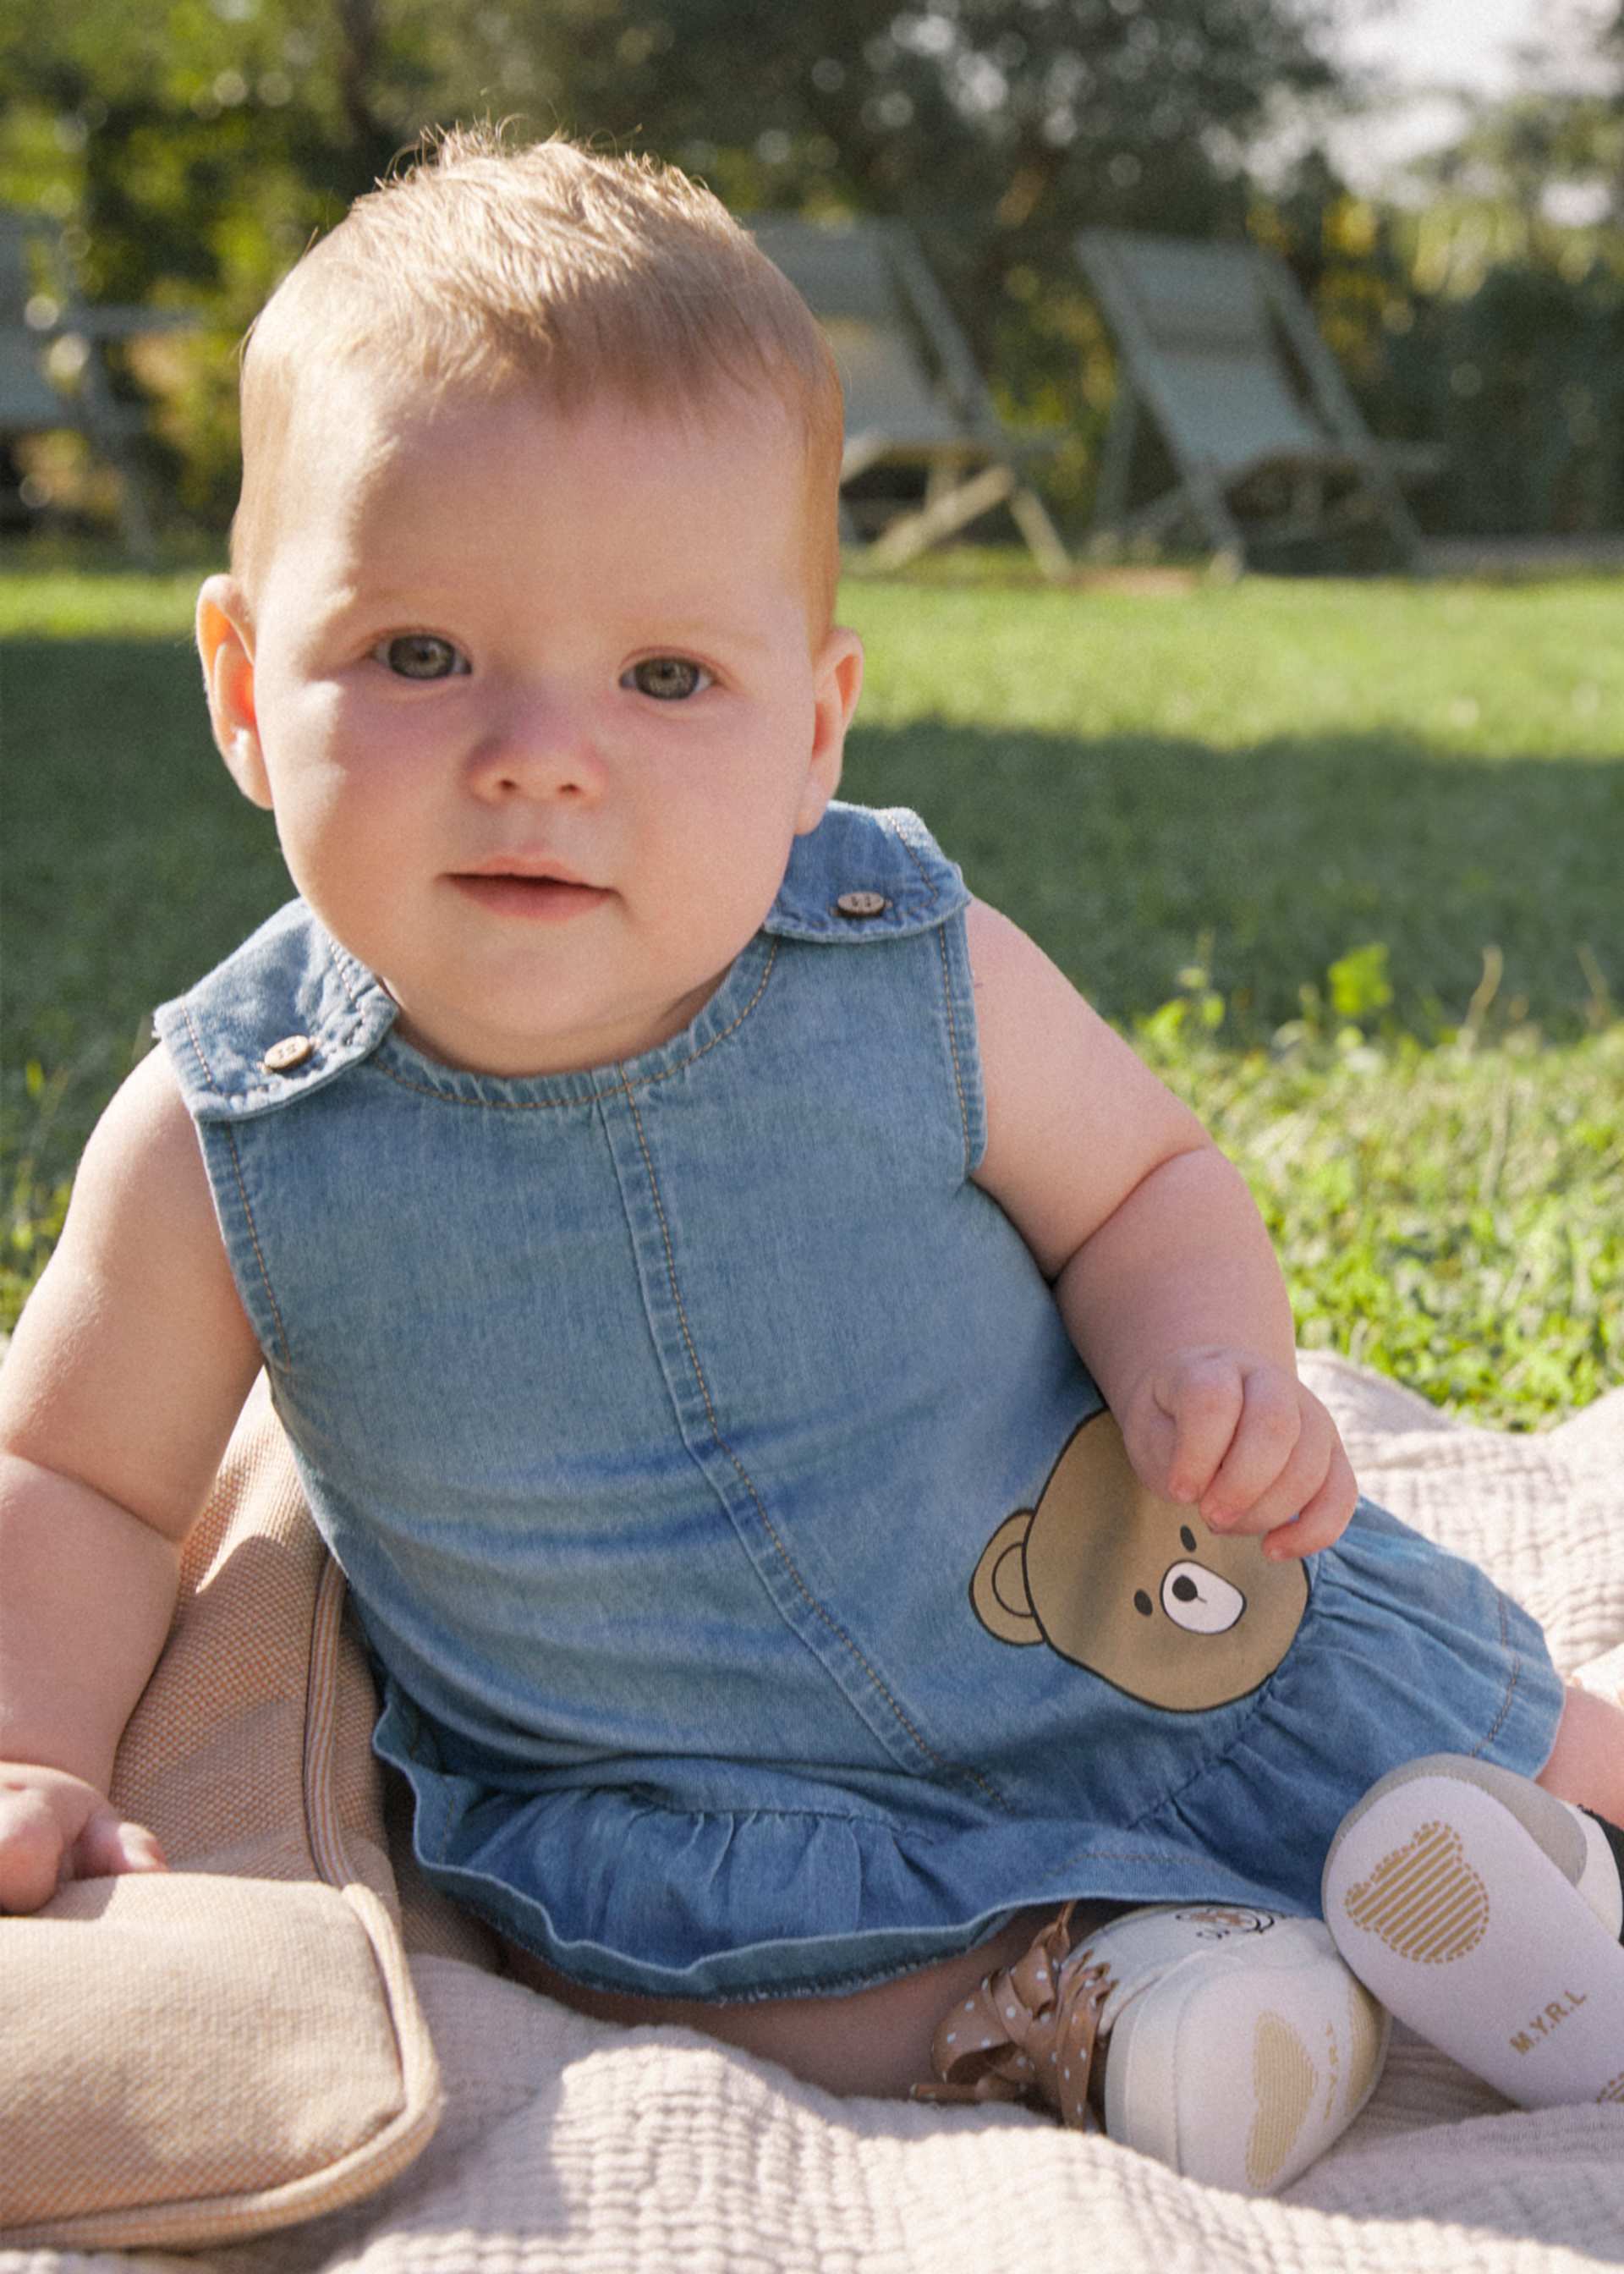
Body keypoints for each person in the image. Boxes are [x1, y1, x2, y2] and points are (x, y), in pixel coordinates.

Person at [2, 128, 1621, 2198]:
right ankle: (1126, 2001)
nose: (541, 754)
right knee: (745, 1976)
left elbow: (1144, 1187)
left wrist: (1202, 1361)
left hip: (1108, 1608)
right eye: (420, 656)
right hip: (705, 1795)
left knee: (1404, 1678)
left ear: (816, 730)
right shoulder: (233, 1128)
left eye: (667, 677)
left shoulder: (902, 965)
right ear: (243, 687)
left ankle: (1554, 1861)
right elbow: (81, 1476)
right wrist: (29, 1743)